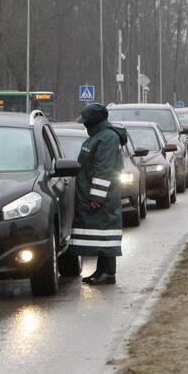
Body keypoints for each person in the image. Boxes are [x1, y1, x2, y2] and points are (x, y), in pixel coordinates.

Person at [71, 103, 128, 285]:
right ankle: (100, 271)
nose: (84, 124)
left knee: (105, 234)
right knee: (99, 234)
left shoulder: (107, 138)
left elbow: (103, 170)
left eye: (86, 121)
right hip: (96, 195)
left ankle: (108, 273)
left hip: (103, 197)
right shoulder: (98, 136)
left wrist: (97, 196)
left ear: (94, 121)